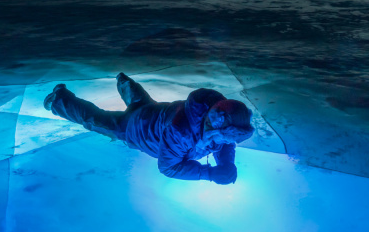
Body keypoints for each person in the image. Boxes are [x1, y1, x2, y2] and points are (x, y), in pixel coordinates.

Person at [43, 73, 254, 185]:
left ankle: (123, 81)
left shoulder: (216, 117)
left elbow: (224, 143)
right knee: (97, 121)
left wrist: (226, 163)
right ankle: (58, 100)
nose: (225, 142)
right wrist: (209, 174)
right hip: (136, 130)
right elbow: (169, 167)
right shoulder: (180, 132)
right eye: (223, 137)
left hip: (153, 113)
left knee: (140, 103)